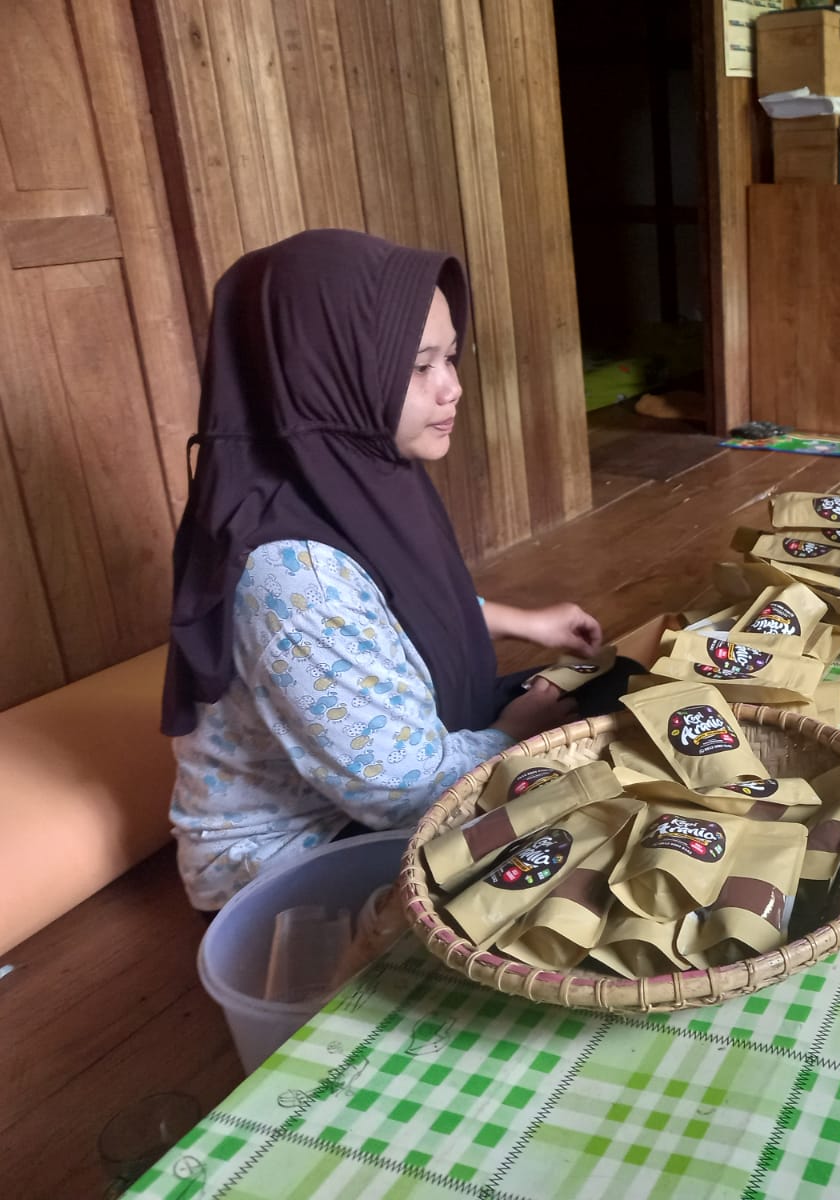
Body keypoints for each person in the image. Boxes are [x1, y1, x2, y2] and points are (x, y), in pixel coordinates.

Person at [163, 230, 619, 911]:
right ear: (324, 375)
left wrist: (521, 621)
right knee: (580, 859)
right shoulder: (293, 578)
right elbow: (404, 795)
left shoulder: (354, 473)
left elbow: (394, 605)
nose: (452, 388)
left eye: (450, 357)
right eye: (418, 366)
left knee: (617, 692)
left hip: (379, 770)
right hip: (293, 850)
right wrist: (513, 732)